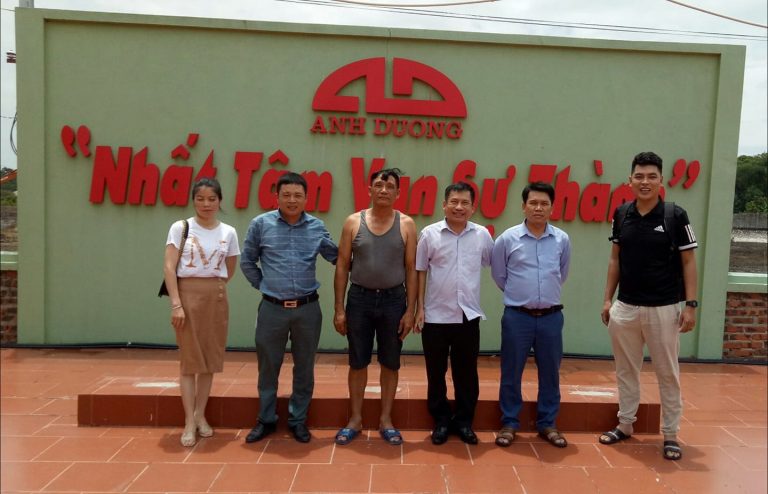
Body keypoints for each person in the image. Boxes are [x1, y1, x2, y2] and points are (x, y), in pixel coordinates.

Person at [599, 151, 698, 461]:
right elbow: (615, 260)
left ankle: (670, 434)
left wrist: (691, 304)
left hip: (663, 309)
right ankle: (625, 424)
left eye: (651, 176)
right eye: (639, 176)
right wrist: (608, 299)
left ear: (661, 180)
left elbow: (689, 261)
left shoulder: (674, 215)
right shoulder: (621, 214)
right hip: (625, 308)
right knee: (625, 370)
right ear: (630, 180)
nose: (645, 182)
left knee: (667, 373)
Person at [240, 172, 338, 444]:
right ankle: (266, 419)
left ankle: (298, 420)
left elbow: (336, 257)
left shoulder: (317, 227)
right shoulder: (261, 224)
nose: (292, 200)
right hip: (272, 309)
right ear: (277, 197)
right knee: (268, 367)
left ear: (306, 198)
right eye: (286, 195)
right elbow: (247, 261)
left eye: (297, 195)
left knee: (304, 367)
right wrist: (264, 285)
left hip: (308, 309)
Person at [333, 168, 417, 446]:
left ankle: (385, 420)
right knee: (357, 361)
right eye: (379, 185)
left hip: (394, 301)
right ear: (369, 190)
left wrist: (410, 310)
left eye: (390, 186)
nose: (383, 190)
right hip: (359, 299)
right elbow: (342, 265)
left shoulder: (406, 224)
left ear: (397, 193)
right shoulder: (352, 222)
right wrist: (339, 308)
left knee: (390, 362)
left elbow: (411, 269)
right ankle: (355, 419)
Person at [490, 181, 571, 448]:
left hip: (551, 317)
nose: (538, 208)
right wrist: (520, 296)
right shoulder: (507, 239)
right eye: (533, 203)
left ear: (552, 208)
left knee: (550, 372)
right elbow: (499, 275)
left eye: (544, 203)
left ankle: (547, 423)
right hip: (518, 317)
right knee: (511, 371)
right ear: (523, 206)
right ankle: (509, 422)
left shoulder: (561, 239)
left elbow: (562, 273)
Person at [414, 182, 494, 445]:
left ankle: (463, 422)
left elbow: (492, 263)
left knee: (466, 373)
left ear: (473, 207)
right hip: (435, 316)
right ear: (444, 205)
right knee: (435, 372)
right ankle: (440, 421)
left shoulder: (482, 235)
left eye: (465, 203)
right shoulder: (429, 234)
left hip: (467, 316)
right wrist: (419, 309)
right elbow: (420, 271)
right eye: (454, 202)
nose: (459, 207)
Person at [163, 177, 240, 447]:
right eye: (200, 199)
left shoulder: (229, 232)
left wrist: (213, 288)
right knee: (189, 361)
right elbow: (169, 267)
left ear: (220, 201)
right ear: (193, 200)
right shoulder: (181, 227)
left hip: (216, 297)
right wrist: (176, 303)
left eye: (211, 199)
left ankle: (200, 415)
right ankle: (188, 421)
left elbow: (230, 268)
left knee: (209, 360)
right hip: (186, 296)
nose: (206, 204)